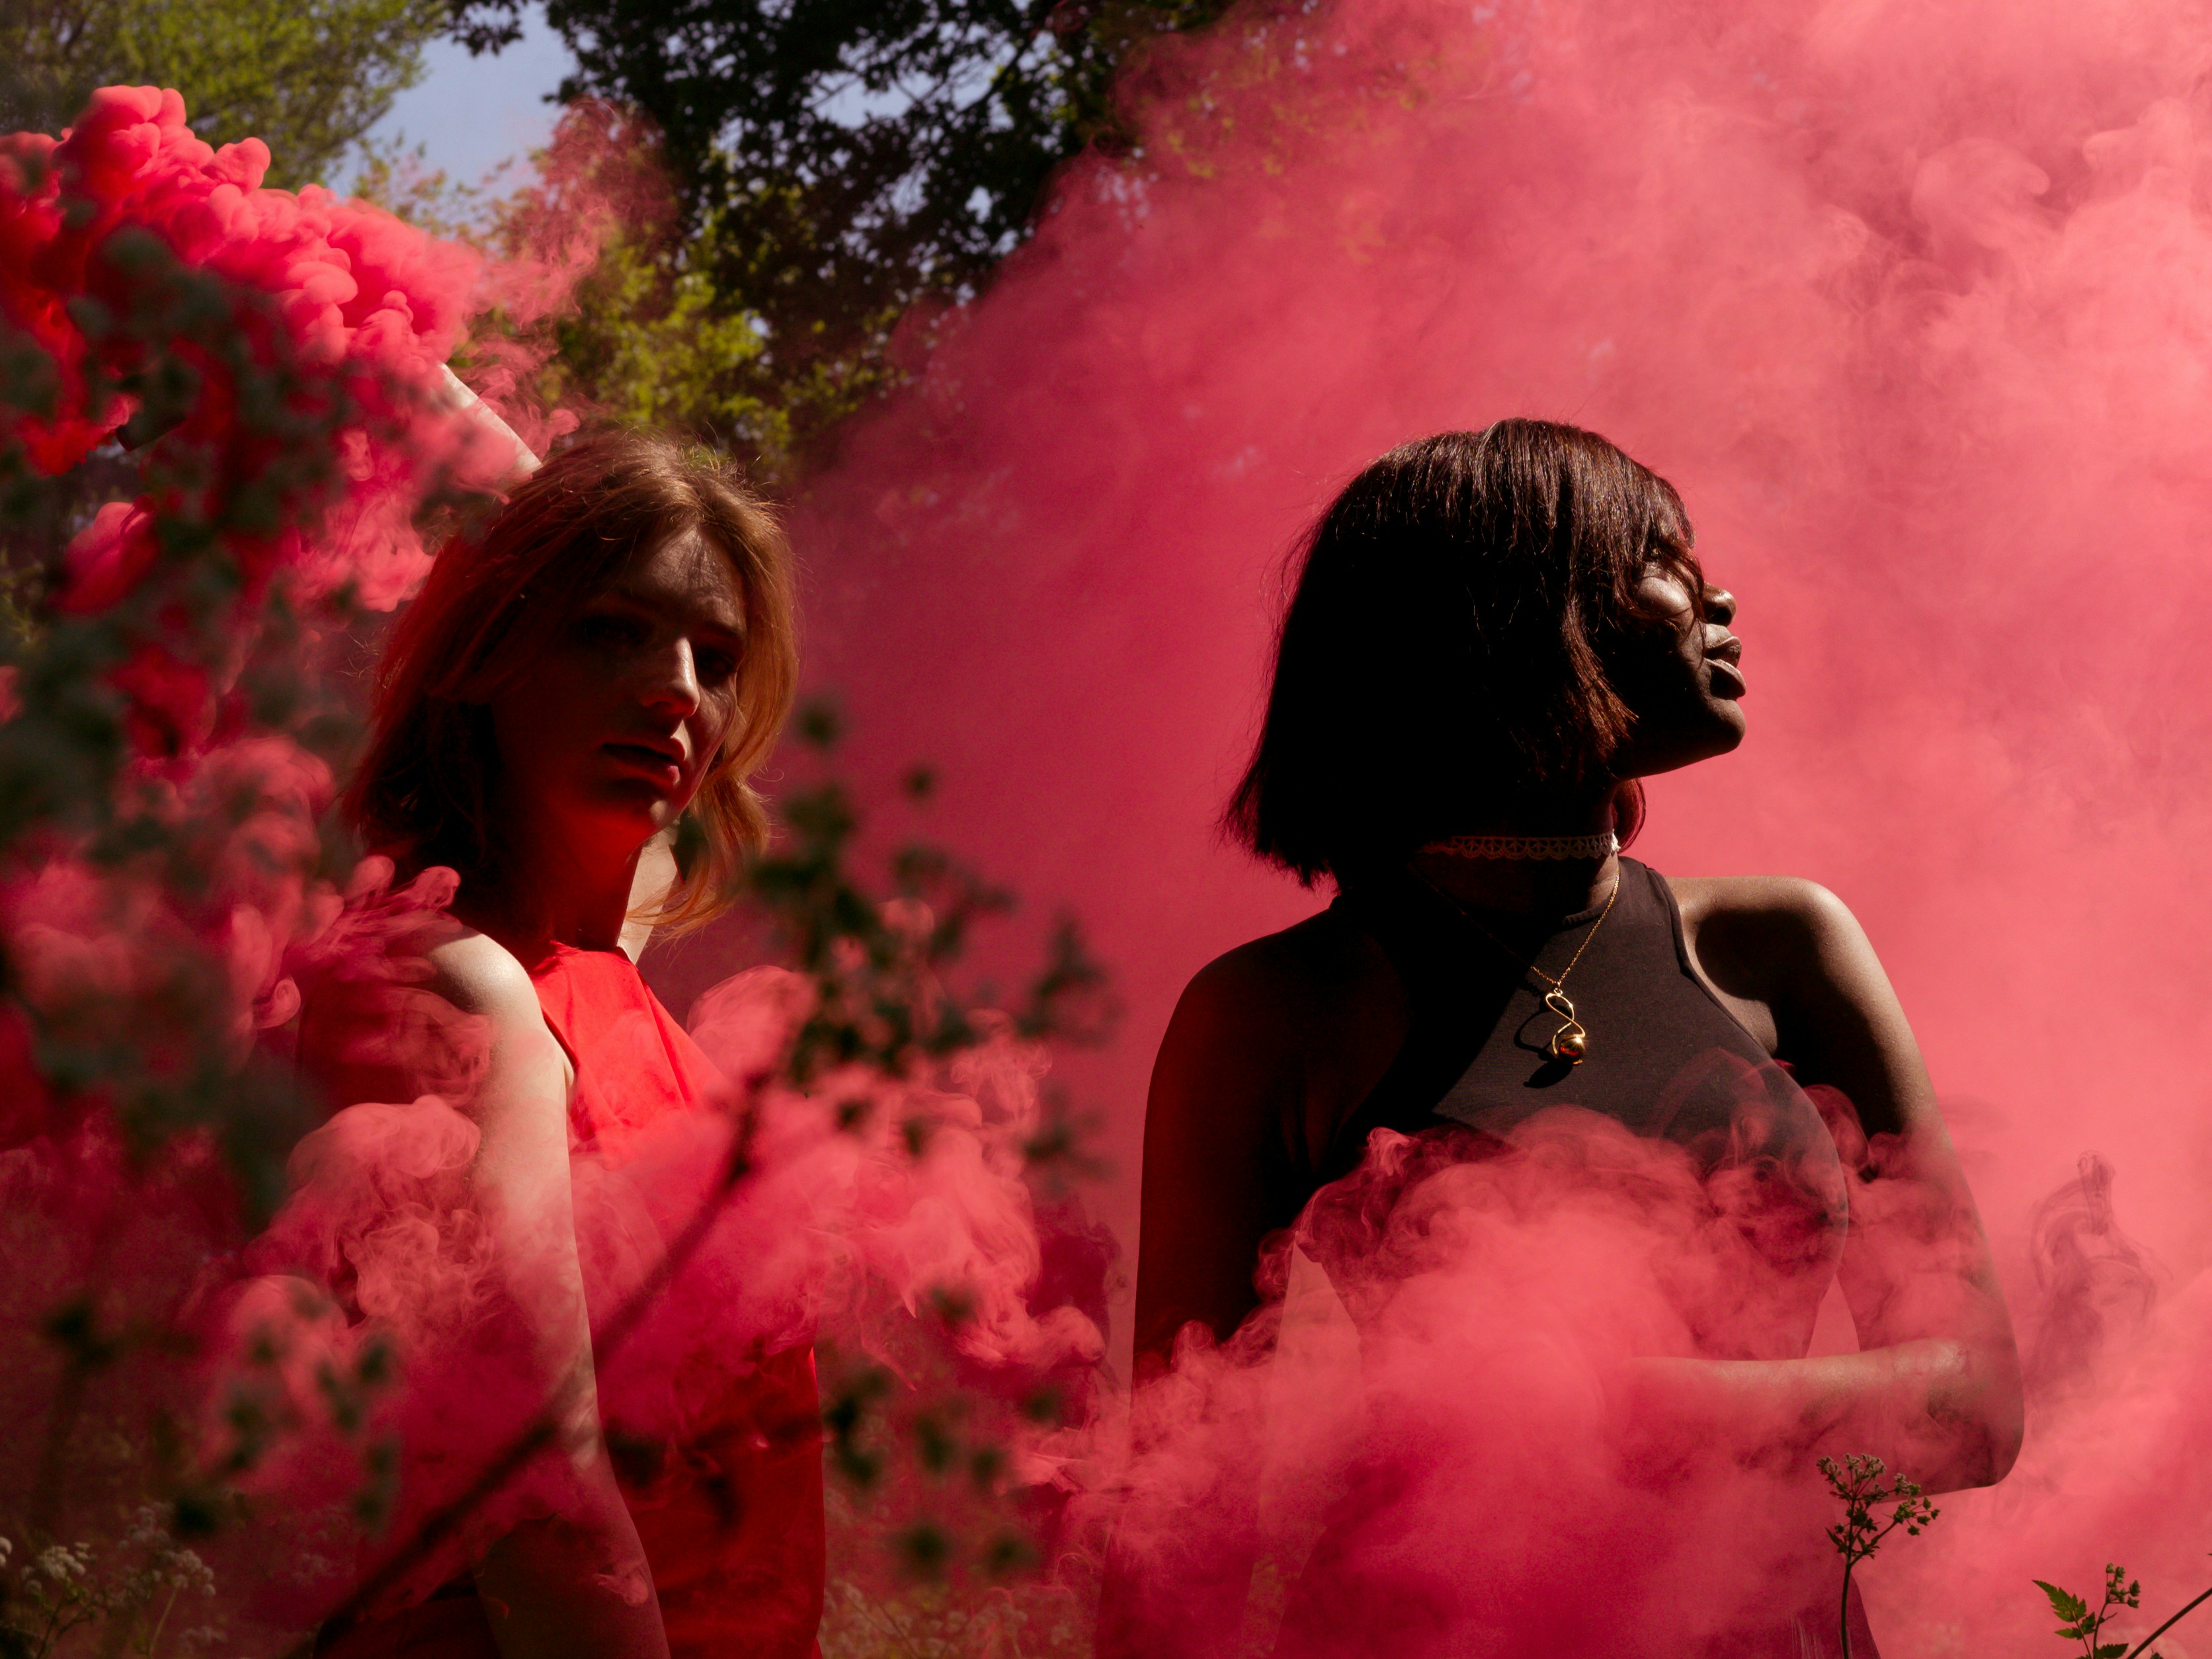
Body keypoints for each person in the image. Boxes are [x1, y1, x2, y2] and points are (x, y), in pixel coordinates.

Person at [1114, 421, 2023, 1657]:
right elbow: (1179, 1510)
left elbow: (1974, 1406)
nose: (1718, 594)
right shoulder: (1269, 1012)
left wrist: (1649, 1409)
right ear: (1511, 615)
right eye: (1661, 557)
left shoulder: (1784, 945)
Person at [301, 421, 820, 1659]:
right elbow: (537, 1494)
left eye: (717, 656)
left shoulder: (606, 978)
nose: (677, 691)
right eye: (611, 629)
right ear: (489, 652)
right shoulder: (459, 982)